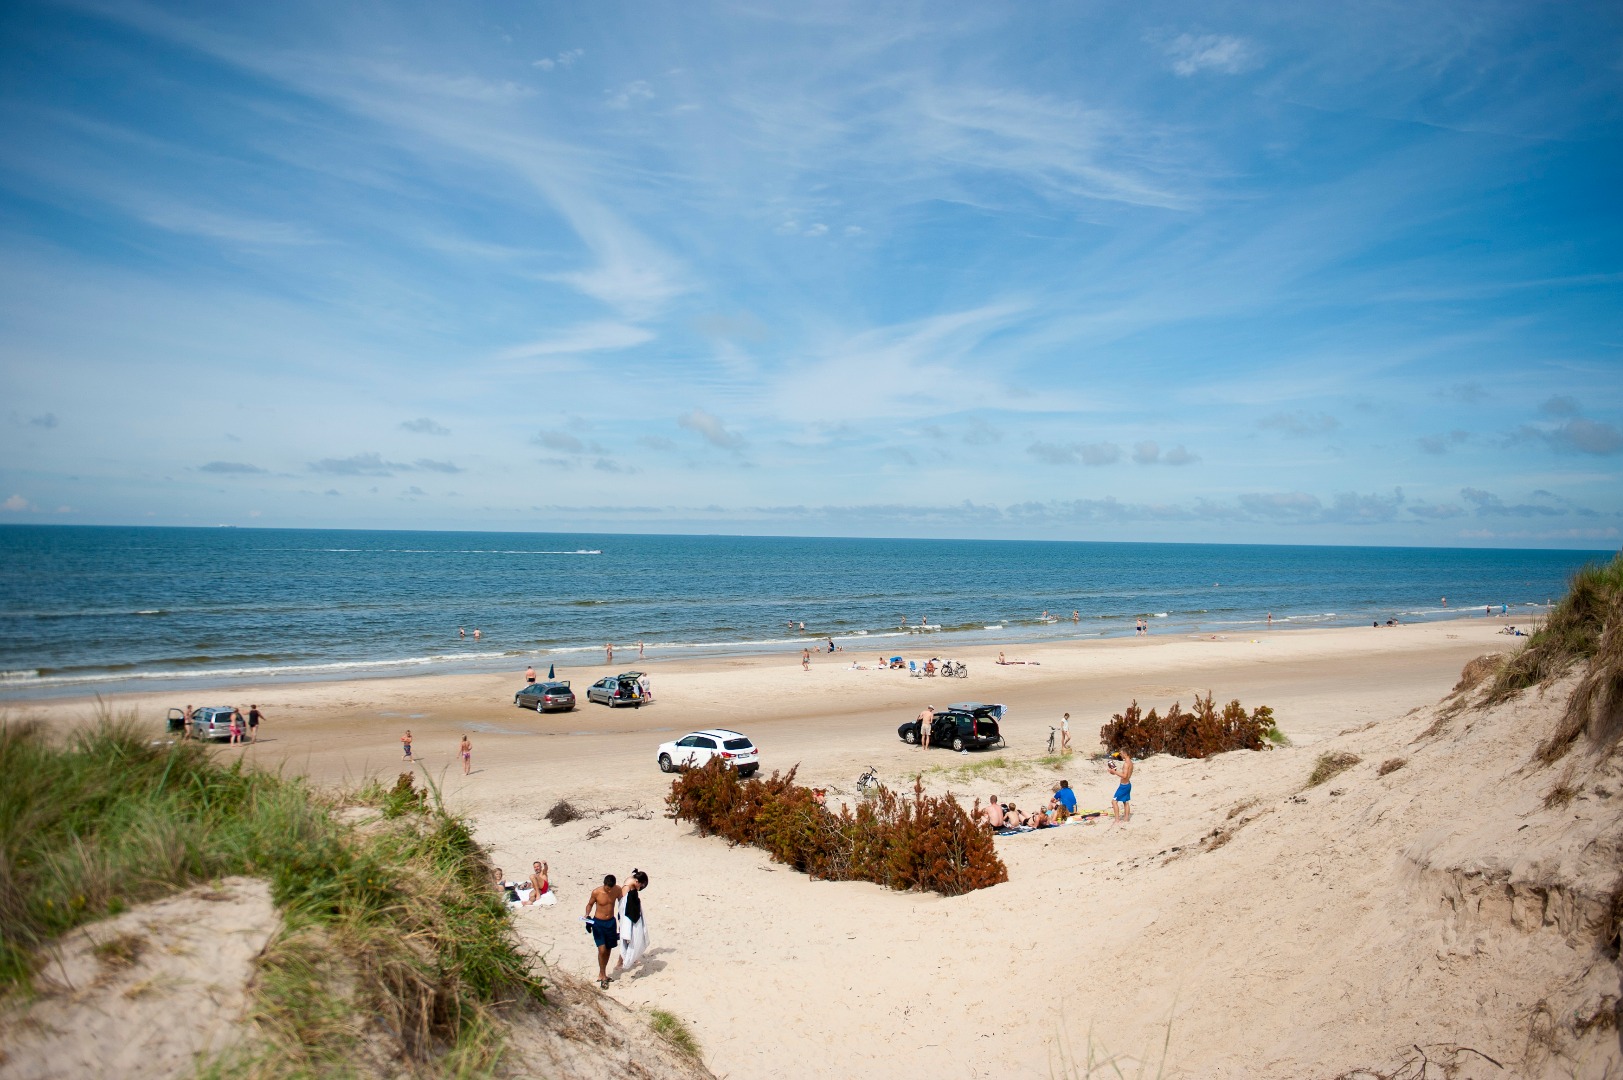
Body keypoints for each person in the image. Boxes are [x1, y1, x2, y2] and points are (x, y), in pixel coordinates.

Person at [585, 874, 624, 988]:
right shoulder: (596, 892)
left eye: (611, 888)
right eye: (608, 888)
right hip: (599, 923)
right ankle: (602, 973)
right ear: (604, 884)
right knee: (602, 949)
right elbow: (590, 904)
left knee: (608, 948)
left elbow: (622, 903)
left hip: (611, 922)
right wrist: (587, 915)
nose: (609, 890)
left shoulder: (617, 890)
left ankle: (604, 974)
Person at [613, 869, 650, 975]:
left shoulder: (631, 880)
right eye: (640, 885)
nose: (640, 888)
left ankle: (631, 958)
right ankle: (620, 962)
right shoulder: (628, 888)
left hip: (628, 912)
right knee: (627, 937)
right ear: (637, 882)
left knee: (630, 937)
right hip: (626, 915)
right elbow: (623, 904)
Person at [1108, 750, 1134, 823]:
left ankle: (1117, 820)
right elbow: (1125, 774)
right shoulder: (1130, 762)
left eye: (1121, 753)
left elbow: (1124, 775)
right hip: (1128, 784)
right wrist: (1114, 772)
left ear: (1125, 753)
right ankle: (1126, 819)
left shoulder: (1126, 764)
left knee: (1114, 802)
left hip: (1123, 786)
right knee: (1125, 802)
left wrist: (1114, 772)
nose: (1120, 755)